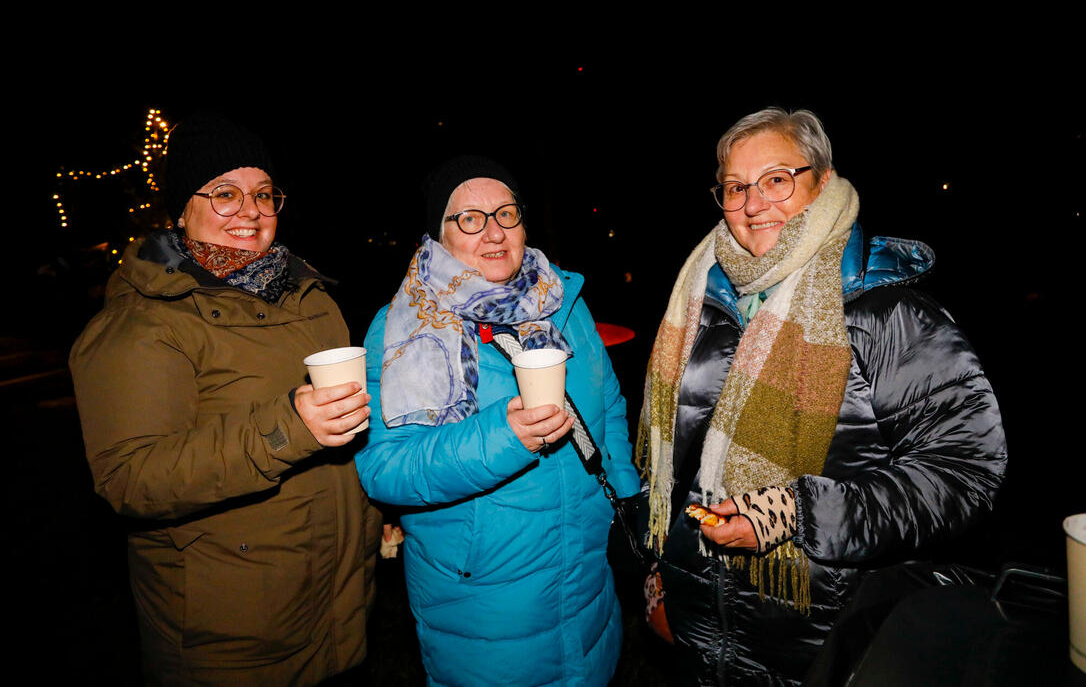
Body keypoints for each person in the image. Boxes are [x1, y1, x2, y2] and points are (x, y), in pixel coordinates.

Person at [636, 107, 1007, 685]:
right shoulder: (697, 300)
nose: (753, 204)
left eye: (777, 180)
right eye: (735, 187)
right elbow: (679, 466)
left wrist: (796, 511)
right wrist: (664, 574)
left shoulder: (890, 316)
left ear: (823, 181)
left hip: (834, 643)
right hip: (705, 642)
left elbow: (965, 472)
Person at [69, 115, 382, 685]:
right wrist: (284, 428)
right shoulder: (143, 323)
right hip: (233, 637)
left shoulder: (310, 299)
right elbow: (131, 478)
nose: (251, 210)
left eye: (264, 194)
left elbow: (349, 433)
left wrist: (376, 510)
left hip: (338, 606)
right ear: (180, 210)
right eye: (224, 194)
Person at [355, 155, 640, 686]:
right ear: (437, 235)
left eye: (506, 213)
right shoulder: (405, 328)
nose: (493, 232)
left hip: (586, 579)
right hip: (483, 603)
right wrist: (501, 437)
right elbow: (384, 469)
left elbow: (610, 405)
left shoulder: (562, 303)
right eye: (469, 218)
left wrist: (624, 498)